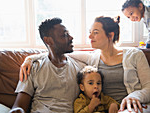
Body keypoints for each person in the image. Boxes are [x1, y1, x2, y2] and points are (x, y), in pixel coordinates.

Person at [20, 16, 150, 113]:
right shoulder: (92, 58)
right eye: (90, 32)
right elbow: (58, 52)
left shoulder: (134, 55)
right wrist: (31, 58)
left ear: (110, 35)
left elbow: (149, 87)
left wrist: (134, 96)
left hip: (132, 106)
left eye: (95, 32)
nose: (90, 36)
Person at [9, 17, 86, 113]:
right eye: (65, 35)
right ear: (48, 41)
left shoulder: (81, 69)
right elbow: (19, 106)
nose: (71, 38)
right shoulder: (32, 67)